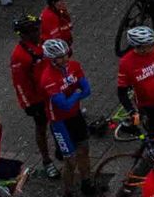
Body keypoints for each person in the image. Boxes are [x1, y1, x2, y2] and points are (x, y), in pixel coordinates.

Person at [40, 38, 93, 194]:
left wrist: (74, 95)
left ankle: (86, 182)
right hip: (59, 123)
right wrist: (77, 93)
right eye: (60, 57)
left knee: (84, 151)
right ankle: (67, 191)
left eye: (66, 55)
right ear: (51, 59)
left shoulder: (74, 66)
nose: (65, 59)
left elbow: (87, 90)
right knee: (70, 161)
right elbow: (64, 105)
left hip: (75, 116)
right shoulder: (48, 78)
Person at [8, 17, 59, 178]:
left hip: (53, 92)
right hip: (38, 100)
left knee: (58, 121)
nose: (39, 32)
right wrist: (28, 105)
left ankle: (60, 147)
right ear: (24, 34)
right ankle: (46, 160)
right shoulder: (19, 56)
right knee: (41, 128)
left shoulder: (42, 42)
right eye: (34, 30)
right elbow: (20, 84)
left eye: (38, 28)